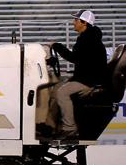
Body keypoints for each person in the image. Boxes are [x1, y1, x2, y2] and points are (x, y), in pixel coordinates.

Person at [44, 10, 107, 139]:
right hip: (85, 77)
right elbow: (80, 59)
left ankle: (70, 128)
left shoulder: (88, 40)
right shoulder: (88, 37)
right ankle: (52, 125)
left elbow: (73, 58)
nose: (74, 23)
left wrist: (57, 46)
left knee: (62, 92)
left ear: (84, 23)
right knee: (56, 87)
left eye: (76, 20)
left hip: (89, 80)